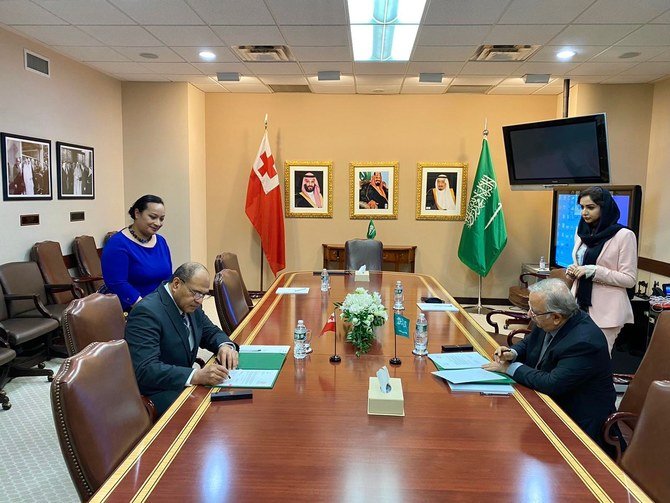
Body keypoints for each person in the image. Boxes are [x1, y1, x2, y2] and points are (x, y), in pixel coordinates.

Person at [483, 279, 616, 446]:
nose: (529, 315)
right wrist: (513, 353)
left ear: (556, 317)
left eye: (533, 311)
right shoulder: (549, 318)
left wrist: (510, 368)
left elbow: (551, 383)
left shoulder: (584, 342)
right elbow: (530, 342)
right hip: (547, 404)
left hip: (577, 425)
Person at [125, 262, 239, 416]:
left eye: (204, 295)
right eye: (196, 293)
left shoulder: (190, 304)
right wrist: (195, 375)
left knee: (233, 407)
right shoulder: (147, 312)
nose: (199, 300)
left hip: (185, 385)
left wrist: (225, 346)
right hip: (160, 393)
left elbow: (210, 332)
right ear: (176, 284)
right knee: (213, 417)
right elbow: (146, 370)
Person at [566, 186, 637, 354]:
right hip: (578, 305)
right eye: (582, 207)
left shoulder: (624, 235)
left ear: (604, 208)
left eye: (590, 207)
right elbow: (581, 261)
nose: (584, 212)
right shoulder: (581, 231)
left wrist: (594, 271)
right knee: (575, 356)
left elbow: (629, 279)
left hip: (607, 311)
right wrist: (573, 269)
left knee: (598, 360)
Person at [101, 194, 172, 311]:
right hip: (133, 310)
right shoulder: (117, 244)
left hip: (160, 306)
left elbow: (167, 277)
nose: (158, 223)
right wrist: (147, 308)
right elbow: (117, 284)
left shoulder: (161, 241)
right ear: (137, 213)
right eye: (153, 217)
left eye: (162, 219)